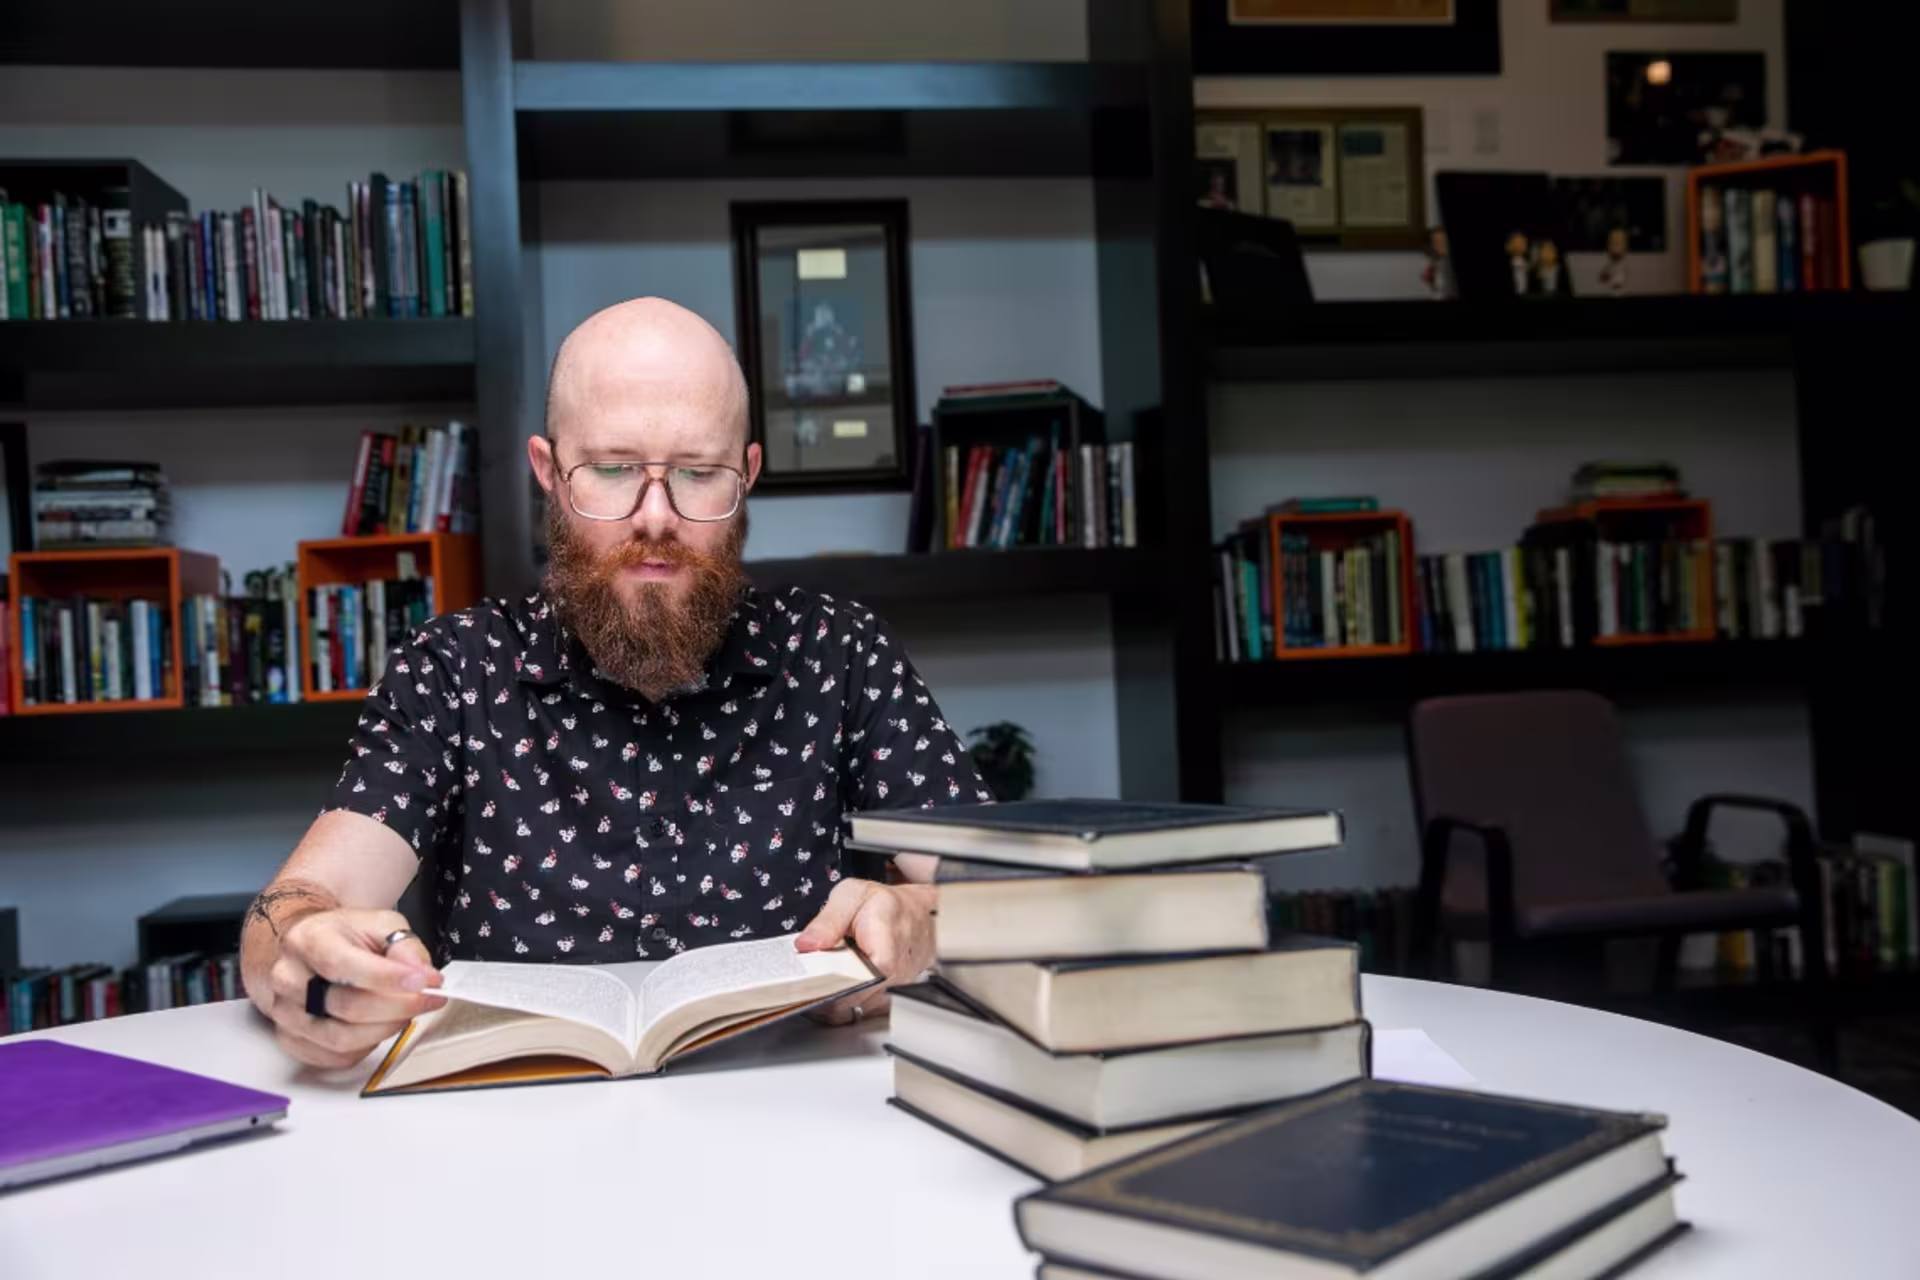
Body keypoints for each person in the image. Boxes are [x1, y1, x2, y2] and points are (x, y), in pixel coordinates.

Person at [241, 297, 994, 1070]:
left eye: (699, 474)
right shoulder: (454, 668)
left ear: (749, 474)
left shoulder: (840, 653)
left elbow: (1014, 898)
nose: (656, 517)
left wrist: (925, 919)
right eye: (611, 470)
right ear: (547, 472)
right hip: (512, 1135)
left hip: (794, 1126)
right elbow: (299, 903)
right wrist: (298, 953)